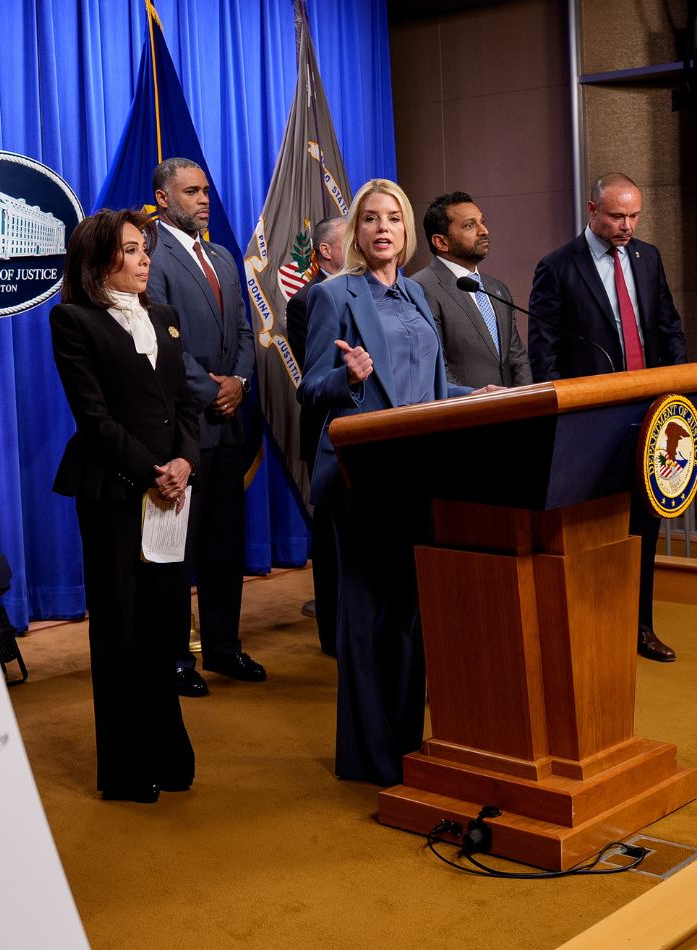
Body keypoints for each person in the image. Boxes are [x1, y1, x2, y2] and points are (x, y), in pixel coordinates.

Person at [299, 178, 497, 787]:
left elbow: (427, 391)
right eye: (370, 219)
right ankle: (368, 756)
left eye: (393, 218)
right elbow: (311, 389)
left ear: (407, 232)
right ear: (356, 233)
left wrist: (477, 396)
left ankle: (407, 742)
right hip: (361, 475)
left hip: (417, 472)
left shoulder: (415, 295)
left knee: (407, 615)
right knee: (365, 616)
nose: (382, 228)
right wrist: (348, 377)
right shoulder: (337, 296)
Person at [50, 209, 202, 803]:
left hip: (171, 495)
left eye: (146, 249)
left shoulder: (162, 317)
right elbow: (94, 419)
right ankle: (127, 768)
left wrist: (185, 463)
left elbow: (187, 402)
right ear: (98, 259)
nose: (145, 260)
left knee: (164, 629)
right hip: (115, 494)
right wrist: (152, 471)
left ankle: (168, 749)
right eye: (133, 250)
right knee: (121, 632)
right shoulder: (73, 320)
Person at [527, 172, 688, 663]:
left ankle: (640, 627)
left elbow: (667, 325)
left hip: (649, 411)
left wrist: (678, 382)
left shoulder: (648, 257)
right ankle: (585, 629)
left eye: (634, 215)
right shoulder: (557, 267)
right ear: (592, 211)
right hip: (591, 417)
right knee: (592, 527)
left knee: (645, 524)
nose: (627, 225)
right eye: (617, 215)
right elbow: (544, 350)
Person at [145, 157, 263, 696]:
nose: (203, 199)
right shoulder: (153, 255)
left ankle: (223, 646)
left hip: (229, 424)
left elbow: (244, 328)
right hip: (186, 427)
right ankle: (173, 657)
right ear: (164, 198)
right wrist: (210, 389)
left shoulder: (219, 254)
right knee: (181, 550)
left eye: (205, 191)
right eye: (191, 192)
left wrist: (238, 379)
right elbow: (161, 341)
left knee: (223, 543)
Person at [284, 214, 346, 657]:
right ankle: (332, 631)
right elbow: (317, 374)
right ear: (324, 250)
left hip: (372, 430)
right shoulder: (307, 299)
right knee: (330, 541)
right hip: (330, 429)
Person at [410, 191, 532, 389]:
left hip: (511, 413)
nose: (484, 230)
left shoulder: (497, 289)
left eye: (482, 222)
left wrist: (525, 405)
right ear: (441, 242)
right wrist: (473, 402)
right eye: (470, 225)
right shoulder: (420, 288)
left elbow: (517, 358)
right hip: (464, 414)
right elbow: (437, 367)